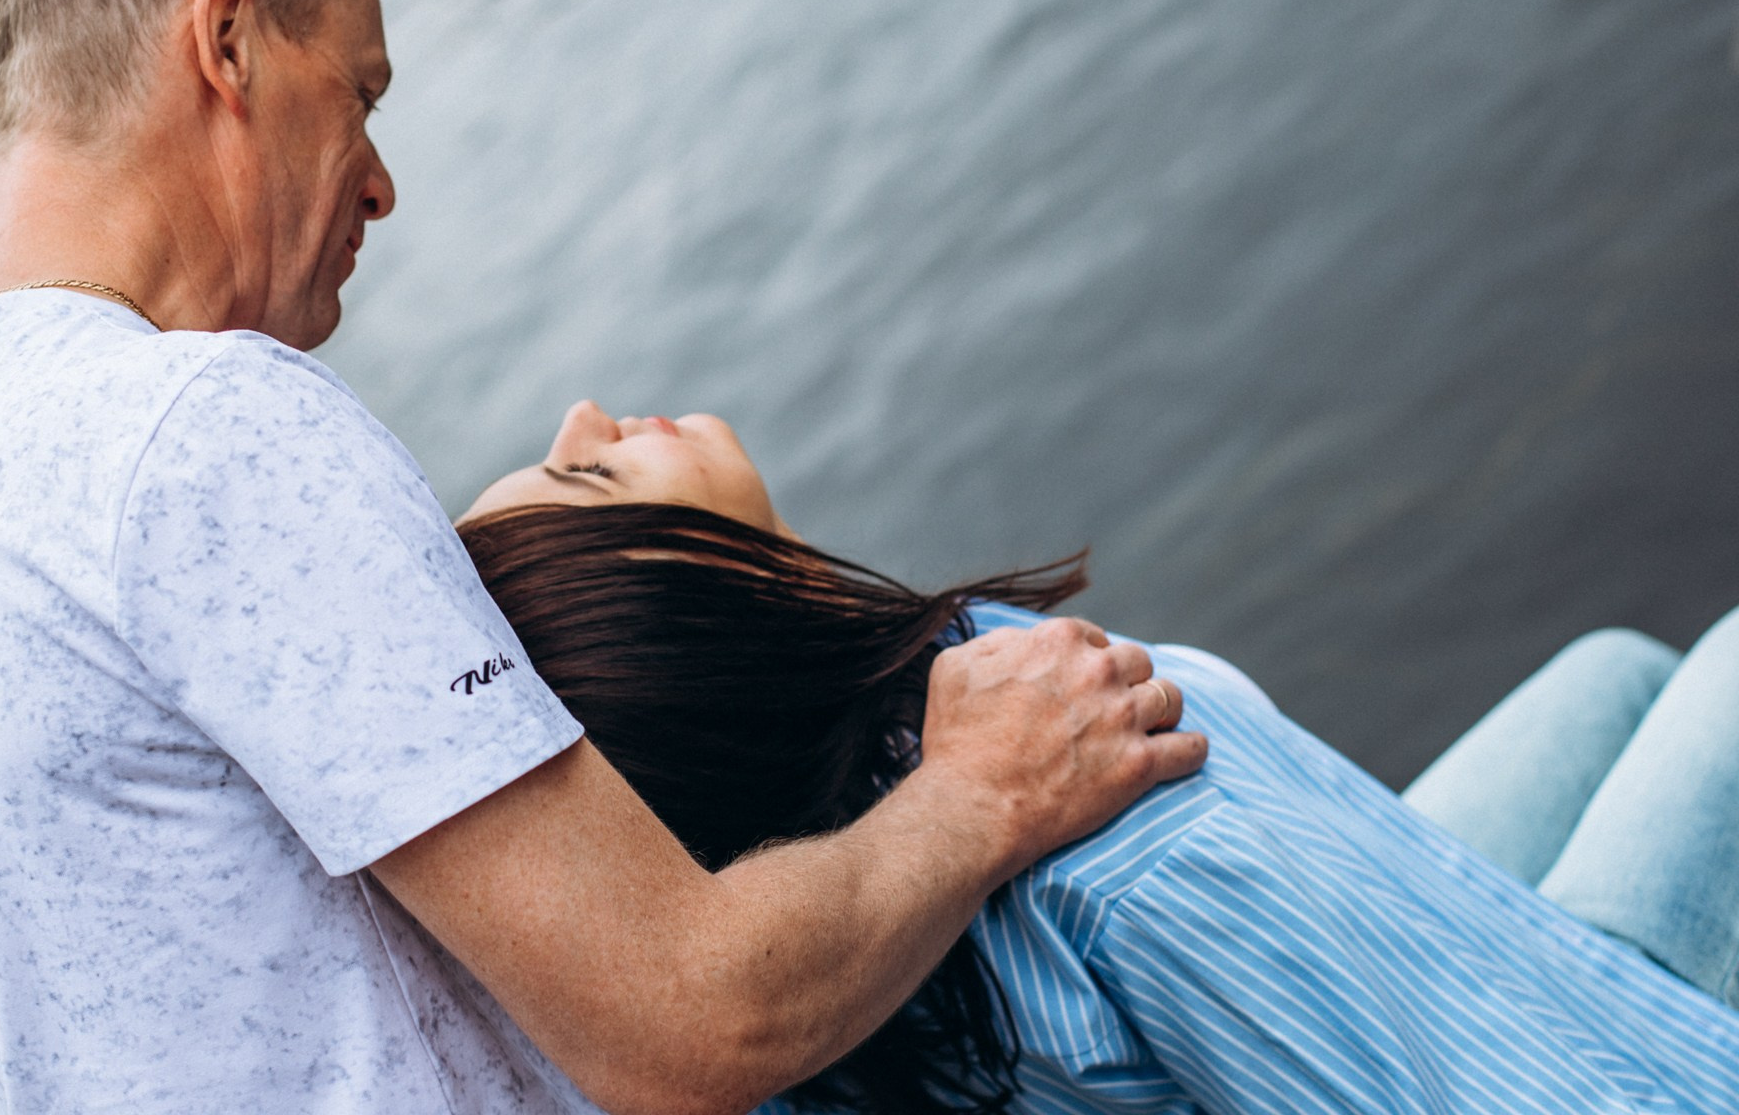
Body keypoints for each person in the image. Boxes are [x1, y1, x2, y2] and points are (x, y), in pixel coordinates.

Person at [0, 0, 1208, 1115]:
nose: (378, 182)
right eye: (357, 91)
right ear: (225, 41)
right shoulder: (197, 427)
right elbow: (691, 1018)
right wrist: (981, 791)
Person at [459, 401, 1739, 1114]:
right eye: (588, 474)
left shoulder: (732, 969)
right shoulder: (1122, 814)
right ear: (690, 613)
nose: (584, 412)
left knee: (1611, 679)